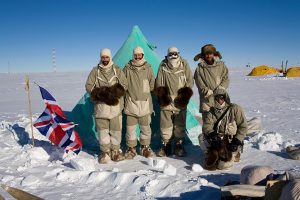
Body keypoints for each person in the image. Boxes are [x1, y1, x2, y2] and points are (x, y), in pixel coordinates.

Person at [85, 48, 128, 164]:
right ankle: (105, 152)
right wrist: (101, 93)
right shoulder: (95, 71)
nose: (105, 59)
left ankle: (115, 151)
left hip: (115, 108)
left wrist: (113, 92)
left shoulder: (117, 70)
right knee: (102, 132)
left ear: (110, 57)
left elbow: (124, 85)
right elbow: (89, 86)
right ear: (101, 58)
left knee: (116, 131)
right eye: (103, 57)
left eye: (107, 57)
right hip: (100, 108)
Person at [155, 47, 193, 157]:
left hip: (179, 100)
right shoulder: (163, 65)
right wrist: (162, 96)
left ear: (178, 54)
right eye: (171, 53)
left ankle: (178, 144)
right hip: (167, 100)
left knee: (180, 124)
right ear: (168, 54)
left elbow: (189, 80)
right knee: (165, 124)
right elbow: (159, 81)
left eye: (175, 53)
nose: (173, 55)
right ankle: (166, 144)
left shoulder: (183, 64)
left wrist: (185, 96)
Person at [202, 88, 248, 170]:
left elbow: (243, 126)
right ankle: (211, 154)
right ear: (214, 99)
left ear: (225, 98)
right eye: (217, 98)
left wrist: (237, 140)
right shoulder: (211, 112)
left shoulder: (235, 109)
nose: (220, 100)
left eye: (222, 98)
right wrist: (212, 135)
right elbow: (206, 126)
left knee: (223, 166)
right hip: (219, 138)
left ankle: (235, 154)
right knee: (201, 137)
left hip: (231, 140)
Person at [123, 46, 155, 159]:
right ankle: (131, 148)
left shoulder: (148, 67)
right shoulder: (127, 68)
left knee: (145, 128)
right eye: (135, 55)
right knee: (130, 129)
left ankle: (144, 147)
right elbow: (123, 84)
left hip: (145, 103)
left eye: (139, 55)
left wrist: (145, 92)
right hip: (131, 103)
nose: (137, 57)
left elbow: (152, 82)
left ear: (142, 55)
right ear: (133, 55)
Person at [194, 44, 229, 120]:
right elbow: (199, 82)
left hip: (220, 97)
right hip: (206, 99)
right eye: (206, 54)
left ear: (213, 54)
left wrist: (221, 88)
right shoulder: (199, 68)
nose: (208, 56)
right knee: (208, 122)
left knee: (221, 120)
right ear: (203, 55)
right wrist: (207, 92)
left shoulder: (221, 65)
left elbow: (225, 78)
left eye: (210, 53)